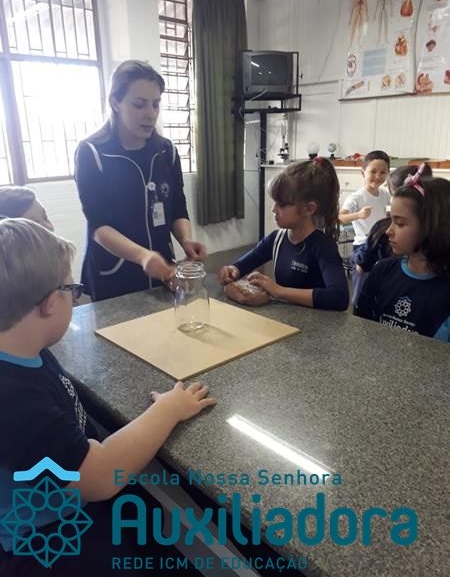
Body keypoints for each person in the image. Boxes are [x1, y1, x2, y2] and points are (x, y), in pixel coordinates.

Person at [0, 218, 217, 575]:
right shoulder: (13, 398)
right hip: (46, 541)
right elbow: (100, 476)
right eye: (72, 290)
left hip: (62, 506)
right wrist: (169, 408)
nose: (75, 297)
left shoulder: (24, 353)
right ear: (51, 303)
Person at [75, 60, 207, 302]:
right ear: (115, 102)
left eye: (156, 104)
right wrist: (143, 256)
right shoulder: (92, 153)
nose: (150, 114)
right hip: (114, 273)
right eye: (139, 104)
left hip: (162, 269)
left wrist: (186, 240)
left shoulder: (166, 151)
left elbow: (177, 207)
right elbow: (99, 226)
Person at [218, 158, 349, 311]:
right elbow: (245, 263)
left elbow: (339, 297)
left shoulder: (323, 246)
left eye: (281, 204)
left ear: (308, 209)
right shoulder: (276, 239)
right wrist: (232, 269)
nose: (273, 209)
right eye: (274, 202)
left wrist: (279, 291)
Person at [355, 175, 450, 342]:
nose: (388, 231)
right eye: (391, 220)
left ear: (432, 226)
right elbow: (362, 323)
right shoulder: (382, 270)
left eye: (400, 223)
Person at [353, 163, 433, 274]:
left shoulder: (381, 229)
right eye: (373, 171)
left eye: (400, 223)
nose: (389, 231)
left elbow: (361, 265)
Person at [339, 149, 391, 305]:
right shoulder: (356, 197)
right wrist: (359, 215)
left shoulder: (385, 194)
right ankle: (357, 310)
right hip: (364, 246)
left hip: (383, 243)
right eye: (373, 171)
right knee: (361, 286)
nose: (378, 176)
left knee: (382, 283)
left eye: (383, 172)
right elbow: (340, 217)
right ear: (363, 173)